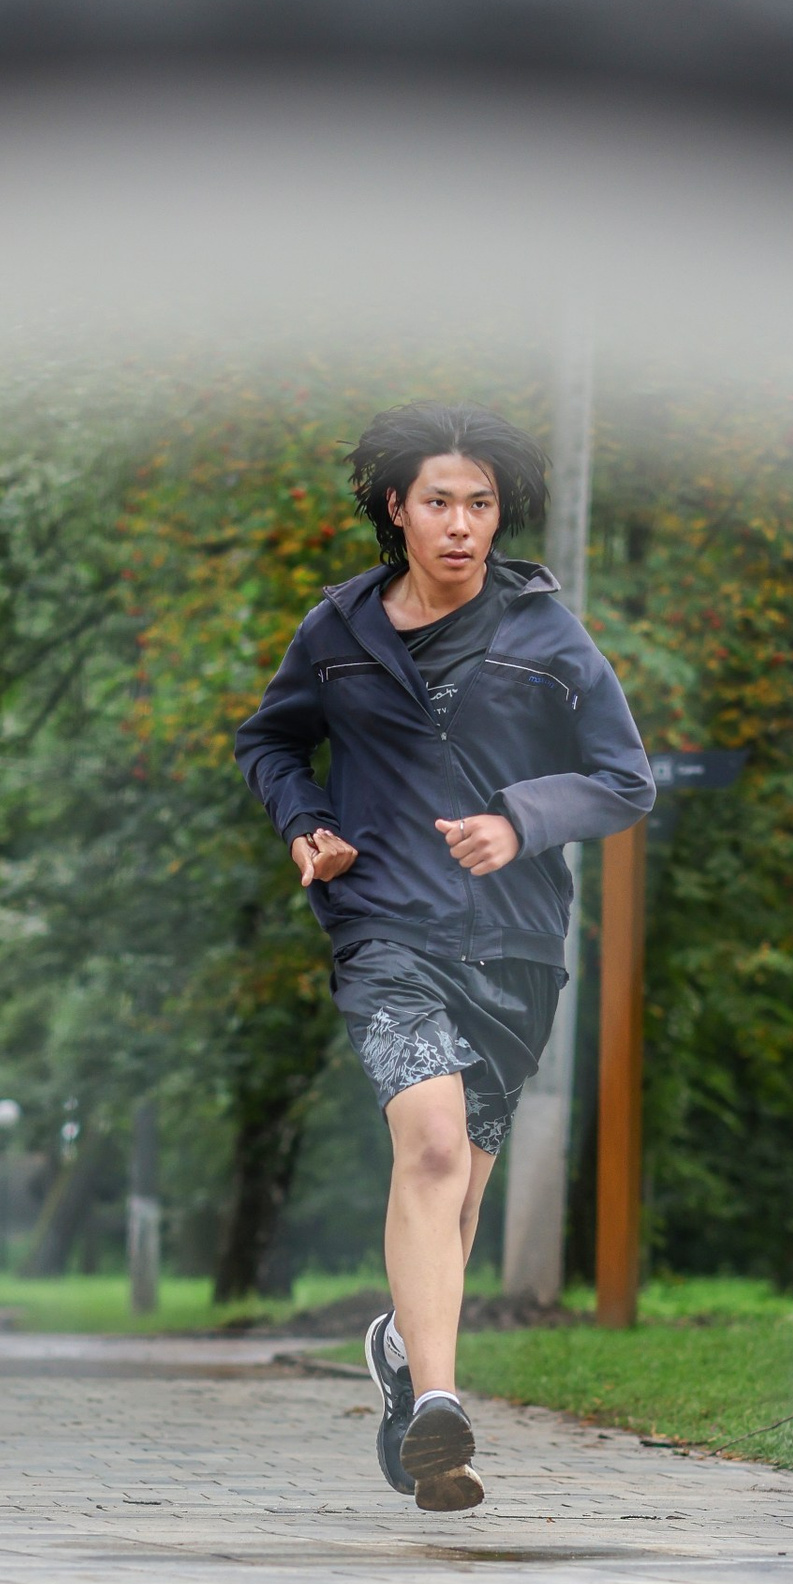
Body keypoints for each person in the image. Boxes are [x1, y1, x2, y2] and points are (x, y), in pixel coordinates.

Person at [235, 399, 656, 1510]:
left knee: (458, 1195)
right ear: (396, 508)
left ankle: (401, 1356)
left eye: (480, 503)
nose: (462, 524)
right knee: (426, 1150)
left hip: (513, 949)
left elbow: (626, 778)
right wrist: (304, 824)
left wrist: (519, 819)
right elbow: (270, 737)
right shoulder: (339, 632)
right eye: (439, 502)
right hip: (385, 930)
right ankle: (438, 1406)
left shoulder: (548, 636)